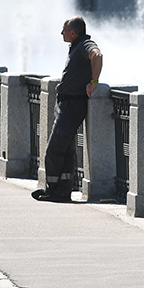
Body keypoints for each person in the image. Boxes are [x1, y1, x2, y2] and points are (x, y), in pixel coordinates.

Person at [31, 16, 103, 203]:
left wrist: (94, 82)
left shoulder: (85, 44)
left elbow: (97, 55)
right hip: (67, 105)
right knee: (66, 151)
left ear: (73, 32)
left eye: (63, 30)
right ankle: (61, 192)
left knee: (54, 150)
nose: (61, 33)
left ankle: (53, 190)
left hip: (72, 106)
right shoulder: (77, 46)